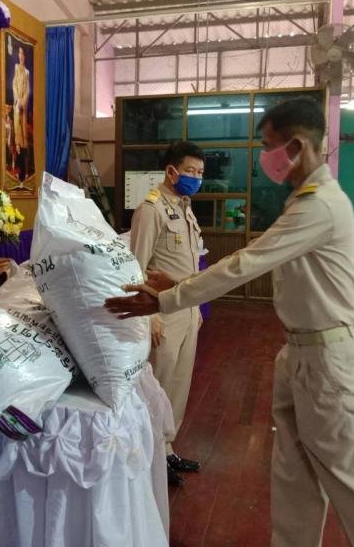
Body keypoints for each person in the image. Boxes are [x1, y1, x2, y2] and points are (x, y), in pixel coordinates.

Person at [106, 98, 354, 547]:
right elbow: (224, 263)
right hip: (300, 354)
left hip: (328, 361)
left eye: (269, 146)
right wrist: (178, 286)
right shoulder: (301, 202)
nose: (264, 157)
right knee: (294, 482)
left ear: (297, 145)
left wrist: (169, 297)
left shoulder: (319, 205)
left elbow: (246, 263)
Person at [130, 140, 204, 487]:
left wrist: (196, 310)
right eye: (190, 171)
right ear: (171, 171)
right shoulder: (152, 209)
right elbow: (135, 269)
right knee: (158, 386)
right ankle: (150, 458)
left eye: (201, 173)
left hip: (187, 312)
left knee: (179, 385)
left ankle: (167, 449)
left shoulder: (184, 207)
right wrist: (149, 316)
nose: (196, 178)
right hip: (163, 314)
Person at [11, 45, 30, 181]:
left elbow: (28, 89)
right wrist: (18, 99)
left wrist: (23, 101)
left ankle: (24, 170)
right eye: (19, 53)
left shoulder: (27, 72)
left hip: (23, 104)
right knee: (16, 130)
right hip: (17, 103)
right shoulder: (16, 67)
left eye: (22, 54)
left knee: (24, 132)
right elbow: (13, 84)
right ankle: (18, 167)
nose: (20, 56)